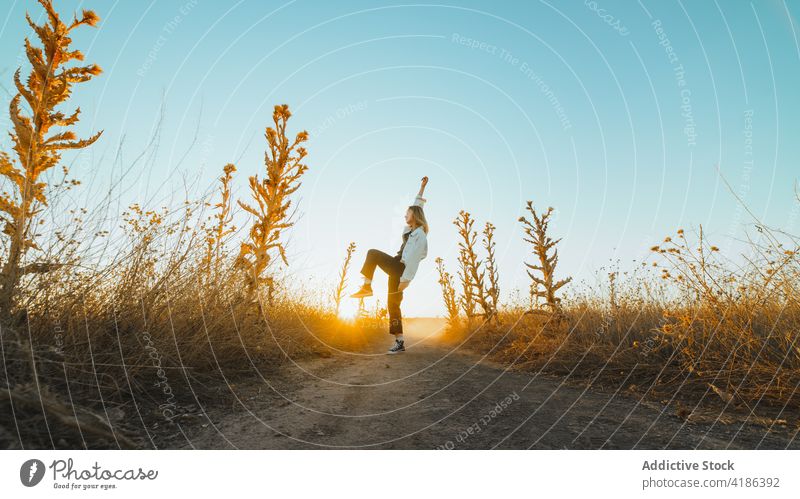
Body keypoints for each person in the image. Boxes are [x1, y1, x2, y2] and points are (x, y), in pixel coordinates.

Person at [350, 176, 430, 354]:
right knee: (393, 305)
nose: (405, 215)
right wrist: (422, 187)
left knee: (372, 254)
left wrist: (405, 280)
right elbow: (418, 204)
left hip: (400, 269)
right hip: (396, 268)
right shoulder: (411, 231)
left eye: (407, 213)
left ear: (414, 216)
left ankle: (366, 287)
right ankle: (399, 342)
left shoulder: (420, 236)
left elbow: (415, 260)